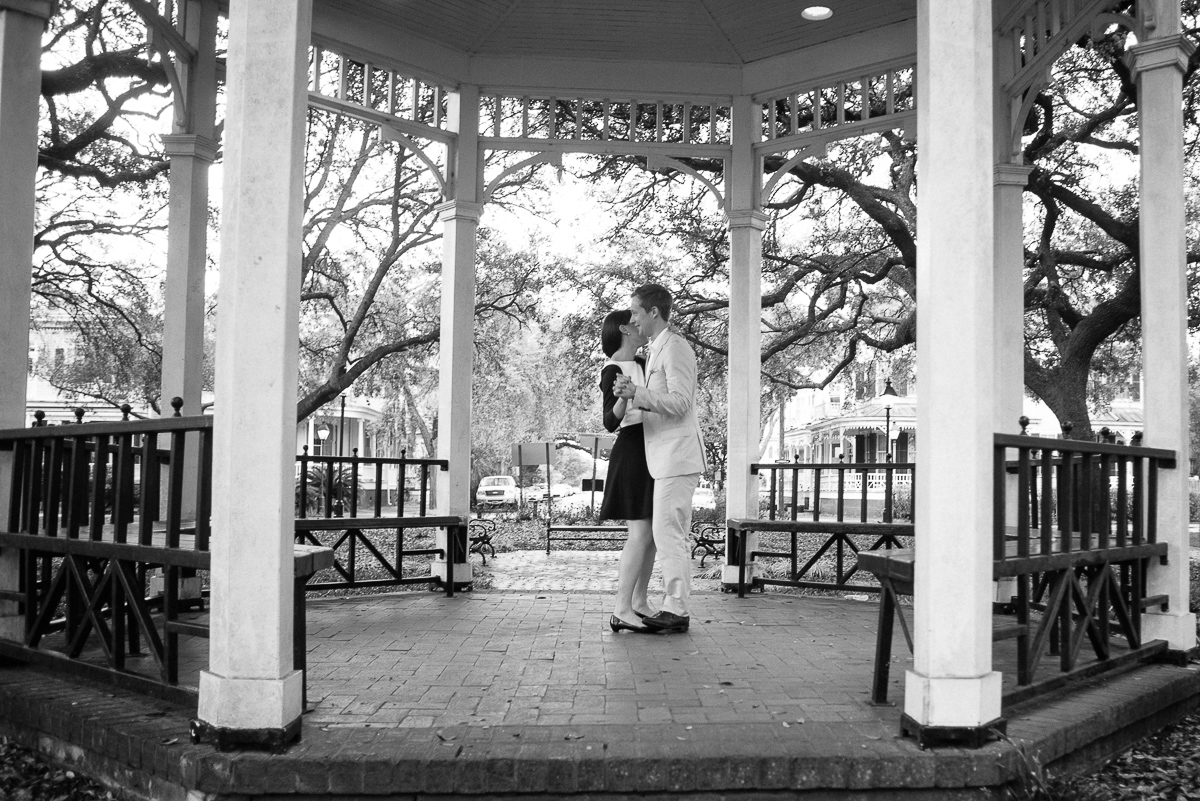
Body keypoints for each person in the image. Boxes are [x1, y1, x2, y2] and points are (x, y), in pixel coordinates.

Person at [613, 283, 707, 634]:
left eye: (636, 311)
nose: (632, 317)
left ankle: (677, 609)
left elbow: (681, 403)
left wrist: (637, 393)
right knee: (665, 533)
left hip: (677, 456)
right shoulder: (655, 349)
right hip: (663, 458)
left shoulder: (675, 347)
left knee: (670, 535)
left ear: (654, 312)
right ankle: (672, 607)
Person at [597, 309, 657, 633]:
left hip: (653, 447)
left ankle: (639, 602)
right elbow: (609, 421)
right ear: (624, 328)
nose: (640, 323)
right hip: (632, 449)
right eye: (634, 319)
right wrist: (622, 399)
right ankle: (621, 608)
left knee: (653, 536)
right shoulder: (612, 369)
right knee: (640, 533)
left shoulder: (645, 363)